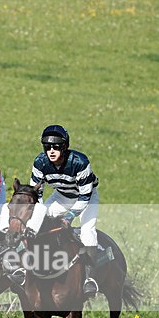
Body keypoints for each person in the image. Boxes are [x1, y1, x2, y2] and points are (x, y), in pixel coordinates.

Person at [30, 124, 101, 294]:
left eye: (56, 147)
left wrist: (69, 217)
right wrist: (37, 214)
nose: (51, 151)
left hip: (86, 198)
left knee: (87, 232)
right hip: (61, 196)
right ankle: (22, 268)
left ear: (65, 147)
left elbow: (84, 196)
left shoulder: (80, 162)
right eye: (47, 147)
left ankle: (90, 279)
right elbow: (36, 194)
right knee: (33, 222)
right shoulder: (40, 163)